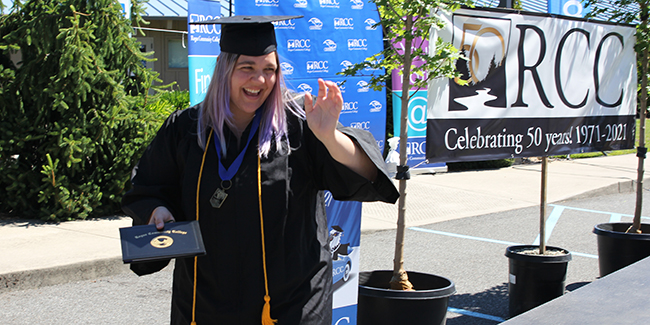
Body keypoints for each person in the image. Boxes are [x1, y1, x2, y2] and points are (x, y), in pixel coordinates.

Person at [121, 15, 399, 325]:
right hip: (206, 301)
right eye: (247, 69)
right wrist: (157, 210)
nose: (260, 80)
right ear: (225, 70)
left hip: (290, 303)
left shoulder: (298, 123)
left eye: (269, 69)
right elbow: (148, 187)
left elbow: (368, 175)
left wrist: (330, 137)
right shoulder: (187, 128)